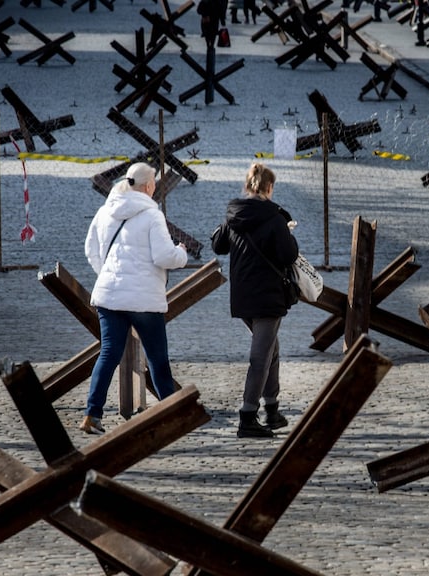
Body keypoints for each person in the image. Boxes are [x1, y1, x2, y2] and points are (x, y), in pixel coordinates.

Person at [80, 163, 190, 434]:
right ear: (148, 186)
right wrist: (182, 253)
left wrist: (108, 275)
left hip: (109, 295)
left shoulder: (106, 210)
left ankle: (92, 415)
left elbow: (90, 249)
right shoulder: (152, 215)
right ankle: (170, 415)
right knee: (157, 359)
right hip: (143, 299)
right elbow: (164, 256)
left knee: (108, 353)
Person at [211, 163, 299, 439]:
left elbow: (218, 246)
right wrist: (288, 232)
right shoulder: (275, 217)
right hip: (268, 294)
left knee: (270, 349)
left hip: (242, 295)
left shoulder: (234, 214)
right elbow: (288, 256)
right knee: (260, 356)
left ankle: (271, 409)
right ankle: (247, 416)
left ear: (248, 185)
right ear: (269, 187)